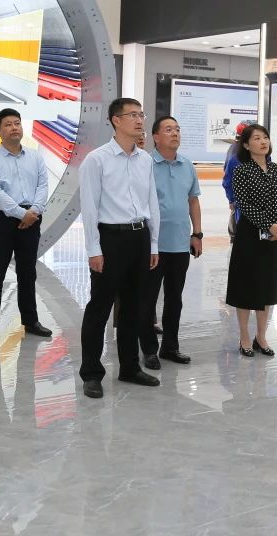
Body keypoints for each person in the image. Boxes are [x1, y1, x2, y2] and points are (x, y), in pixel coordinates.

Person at [79, 98, 162, 398]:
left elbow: (152, 202)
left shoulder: (145, 160)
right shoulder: (96, 160)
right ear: (116, 120)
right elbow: (89, 207)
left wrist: (153, 243)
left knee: (134, 306)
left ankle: (129, 367)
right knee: (100, 307)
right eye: (133, 115)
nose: (140, 120)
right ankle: (91, 373)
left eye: (141, 114)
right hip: (110, 238)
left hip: (140, 237)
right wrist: (93, 249)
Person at [0, 108, 52, 345]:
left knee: (27, 272)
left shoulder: (35, 157)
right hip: (1, 219)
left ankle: (30, 321)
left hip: (32, 217)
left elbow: (43, 186)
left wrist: (34, 211)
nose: (14, 128)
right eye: (8, 124)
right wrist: (22, 214)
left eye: (17, 123)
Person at [140, 115, 202, 367]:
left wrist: (197, 234)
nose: (175, 133)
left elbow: (193, 201)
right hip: (152, 245)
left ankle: (170, 347)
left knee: (174, 299)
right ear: (155, 137)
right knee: (147, 300)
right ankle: (149, 350)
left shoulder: (187, 165)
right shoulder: (145, 164)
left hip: (179, 244)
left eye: (177, 129)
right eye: (168, 130)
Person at [225, 124, 277, 356]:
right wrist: (269, 225)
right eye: (256, 138)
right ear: (246, 144)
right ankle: (244, 336)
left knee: (267, 286)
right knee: (246, 286)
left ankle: (261, 337)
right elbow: (244, 204)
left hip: (273, 237)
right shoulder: (242, 171)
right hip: (249, 235)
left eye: (265, 137)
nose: (263, 142)